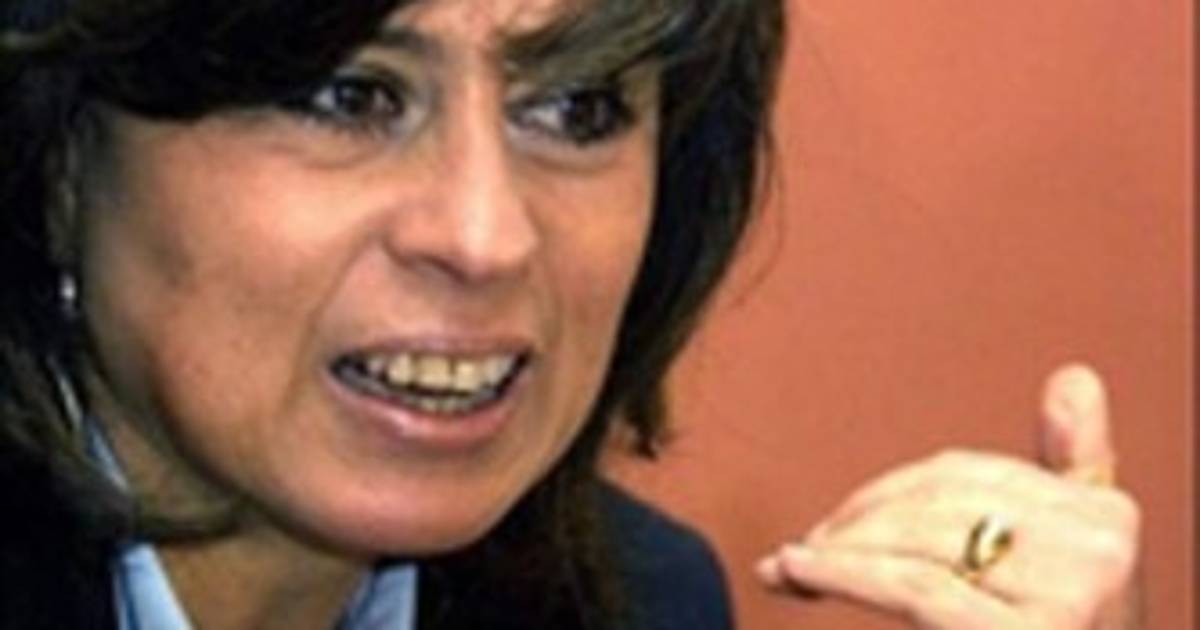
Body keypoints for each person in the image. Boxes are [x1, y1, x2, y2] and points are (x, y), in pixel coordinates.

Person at [0, 0, 1140, 628]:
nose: (486, 237)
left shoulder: (644, 604)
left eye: (578, 110)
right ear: (58, 160)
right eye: (351, 98)